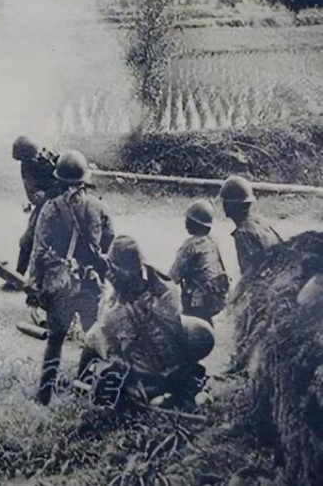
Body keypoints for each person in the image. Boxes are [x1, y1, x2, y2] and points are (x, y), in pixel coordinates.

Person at [81, 235, 215, 411]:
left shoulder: (120, 312)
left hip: (148, 371)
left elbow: (109, 338)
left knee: (95, 344)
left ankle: (87, 382)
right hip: (173, 364)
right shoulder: (164, 287)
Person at [26, 150, 114, 406]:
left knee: (54, 342)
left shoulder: (50, 209)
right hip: (89, 283)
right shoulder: (99, 207)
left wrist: (33, 290)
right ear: (85, 180)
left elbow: (38, 252)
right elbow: (109, 242)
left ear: (60, 180)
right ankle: (83, 388)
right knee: (92, 339)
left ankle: (44, 394)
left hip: (60, 286)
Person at [169, 200, 229, 325]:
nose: (185, 223)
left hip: (199, 301)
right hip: (218, 297)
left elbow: (173, 277)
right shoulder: (213, 242)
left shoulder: (190, 246)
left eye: (188, 220)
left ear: (195, 224)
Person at [11, 136, 60, 282]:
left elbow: (64, 184)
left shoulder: (50, 161)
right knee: (27, 242)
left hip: (59, 205)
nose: (28, 161)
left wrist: (47, 193)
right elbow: (32, 190)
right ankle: (18, 278)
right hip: (44, 206)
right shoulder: (26, 166)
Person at [220, 175, 282, 276]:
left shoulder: (243, 233)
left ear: (233, 205)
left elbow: (250, 274)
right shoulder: (261, 222)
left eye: (225, 201)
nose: (223, 205)